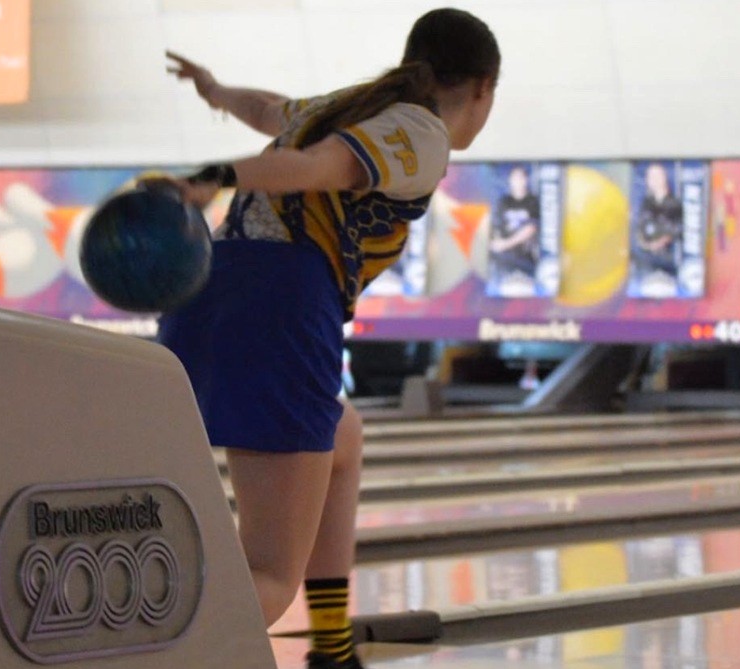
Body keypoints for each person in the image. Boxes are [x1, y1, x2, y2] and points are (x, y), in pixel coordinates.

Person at [157, 8, 500, 669]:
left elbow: (269, 111)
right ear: (483, 88)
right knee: (269, 574)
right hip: (278, 305)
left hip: (205, 288)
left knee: (343, 435)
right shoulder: (422, 135)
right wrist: (214, 177)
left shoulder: (353, 104)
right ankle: (128, 654)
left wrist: (216, 91)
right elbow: (317, 166)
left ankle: (334, 648)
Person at [489, 165, 540, 279]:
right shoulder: (503, 202)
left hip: (526, 260)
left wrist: (506, 244)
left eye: (521, 177)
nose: (518, 181)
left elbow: (531, 228)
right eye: (515, 178)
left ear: (526, 180)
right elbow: (495, 227)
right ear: (510, 181)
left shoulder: (533, 202)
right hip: (503, 262)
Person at [632, 162, 683, 277]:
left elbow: (679, 228)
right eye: (650, 177)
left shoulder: (674, 204)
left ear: (664, 178)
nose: (652, 180)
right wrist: (646, 245)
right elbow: (638, 231)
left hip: (671, 261)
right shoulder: (644, 204)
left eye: (656, 177)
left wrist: (662, 241)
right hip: (647, 262)